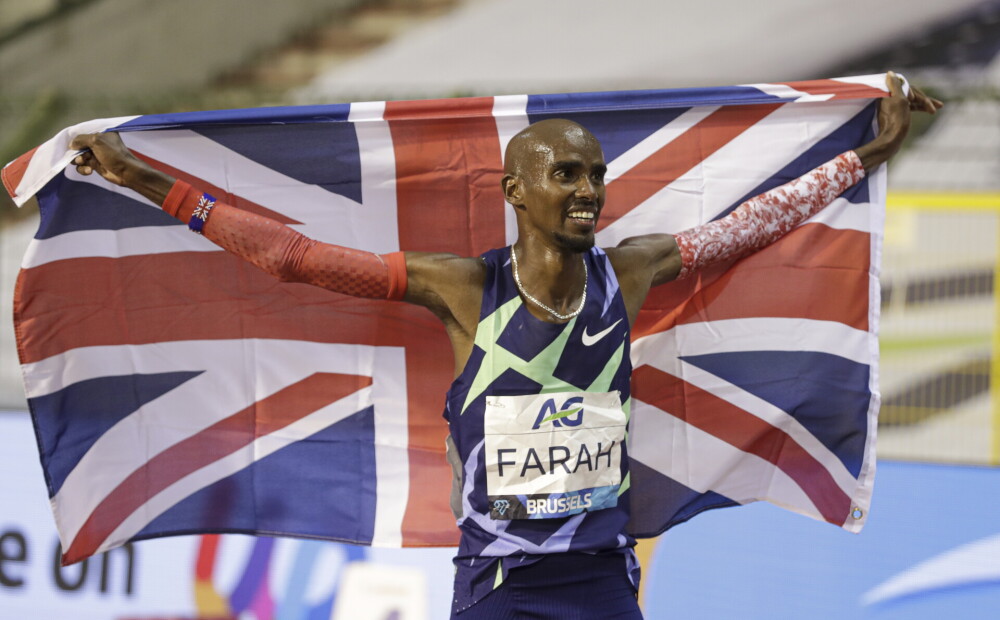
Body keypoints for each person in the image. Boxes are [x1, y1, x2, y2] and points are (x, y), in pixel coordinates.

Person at [69, 73, 940, 618]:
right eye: (567, 174)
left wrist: (865, 154)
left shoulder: (627, 274)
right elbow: (298, 260)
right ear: (514, 190)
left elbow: (753, 225)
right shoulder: (462, 289)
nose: (589, 191)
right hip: (500, 591)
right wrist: (149, 182)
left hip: (601, 583)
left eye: (597, 175)